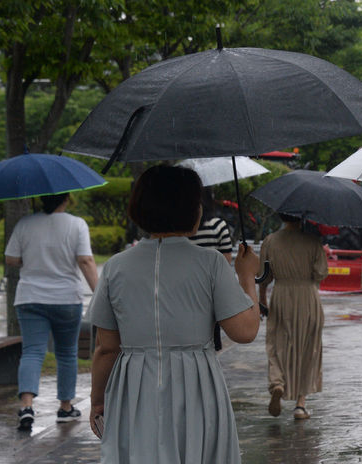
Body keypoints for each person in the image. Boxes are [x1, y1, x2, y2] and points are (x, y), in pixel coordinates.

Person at [89, 165, 260, 463]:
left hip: (134, 386)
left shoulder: (116, 266)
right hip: (196, 385)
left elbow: (106, 348)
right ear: (191, 209)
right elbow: (245, 331)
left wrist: (98, 401)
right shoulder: (210, 263)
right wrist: (247, 278)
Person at [5, 192, 98, 430]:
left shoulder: (25, 224)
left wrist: (33, 258)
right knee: (67, 352)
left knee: (32, 352)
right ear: (66, 199)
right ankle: (66, 408)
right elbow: (85, 260)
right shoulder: (77, 224)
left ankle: (27, 407)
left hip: (30, 297)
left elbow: (11, 258)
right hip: (66, 298)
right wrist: (99, 292)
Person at [258, 213, 328, 420]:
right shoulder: (313, 242)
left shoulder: (270, 241)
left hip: (281, 294)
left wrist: (262, 299)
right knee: (308, 348)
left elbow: (263, 276)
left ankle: (277, 383)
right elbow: (320, 273)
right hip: (308, 296)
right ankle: (300, 405)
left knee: (276, 343)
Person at [188, 187, 235, 350]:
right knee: (211, 341)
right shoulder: (218, 226)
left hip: (185, 289)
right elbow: (225, 263)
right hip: (210, 292)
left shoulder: (180, 229)